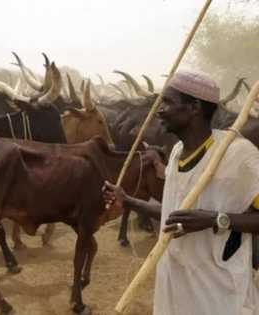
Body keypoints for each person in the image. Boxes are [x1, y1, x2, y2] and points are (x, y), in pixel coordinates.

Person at [103, 70, 259, 315]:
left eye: (167, 102)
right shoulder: (176, 152)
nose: (159, 109)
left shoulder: (238, 154)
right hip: (177, 288)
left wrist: (214, 219)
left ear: (194, 107)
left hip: (220, 294)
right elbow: (172, 215)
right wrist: (128, 200)